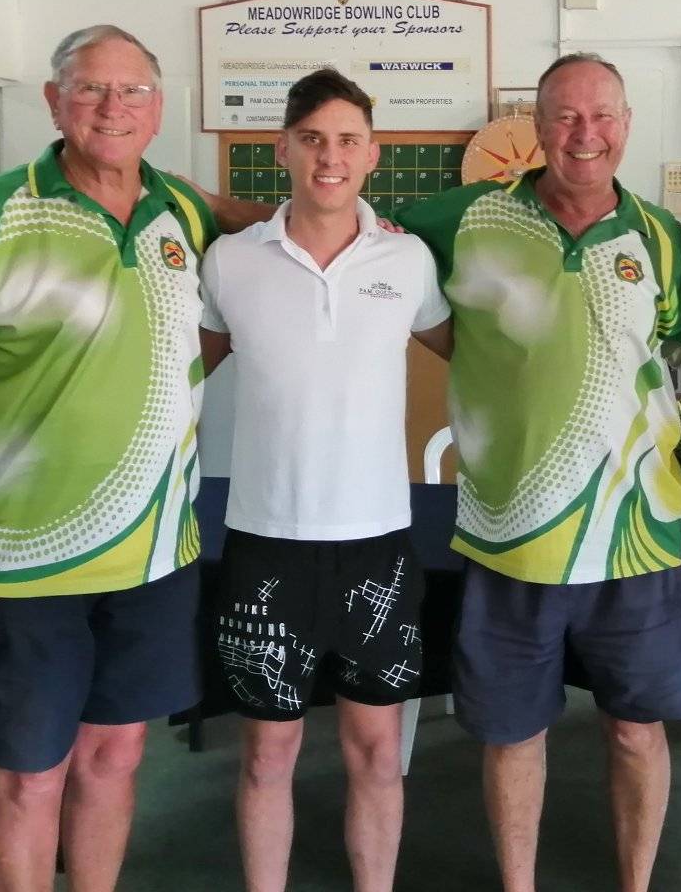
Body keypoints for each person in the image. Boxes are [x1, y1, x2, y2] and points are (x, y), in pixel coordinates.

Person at [0, 24, 270, 892]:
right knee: (31, 776)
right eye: (91, 89)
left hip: (154, 553)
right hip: (21, 560)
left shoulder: (179, 210)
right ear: (54, 101)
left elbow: (260, 232)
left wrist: (351, 217)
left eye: (133, 90)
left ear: (158, 106)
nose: (113, 107)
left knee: (116, 756)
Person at [395, 53, 681, 892]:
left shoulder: (661, 237)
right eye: (565, 116)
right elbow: (353, 236)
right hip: (510, 536)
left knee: (637, 731)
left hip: (635, 538)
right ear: (536, 127)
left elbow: (680, 354)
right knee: (511, 735)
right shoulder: (462, 215)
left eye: (602, 115)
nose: (584, 134)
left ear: (627, 124)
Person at [199, 69, 452, 892]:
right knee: (267, 755)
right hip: (265, 546)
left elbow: (479, 356)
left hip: (377, 548)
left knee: (377, 754)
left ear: (373, 155)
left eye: (347, 141)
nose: (330, 157)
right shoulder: (231, 262)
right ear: (283, 149)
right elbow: (175, 380)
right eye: (312, 140)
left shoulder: (407, 261)